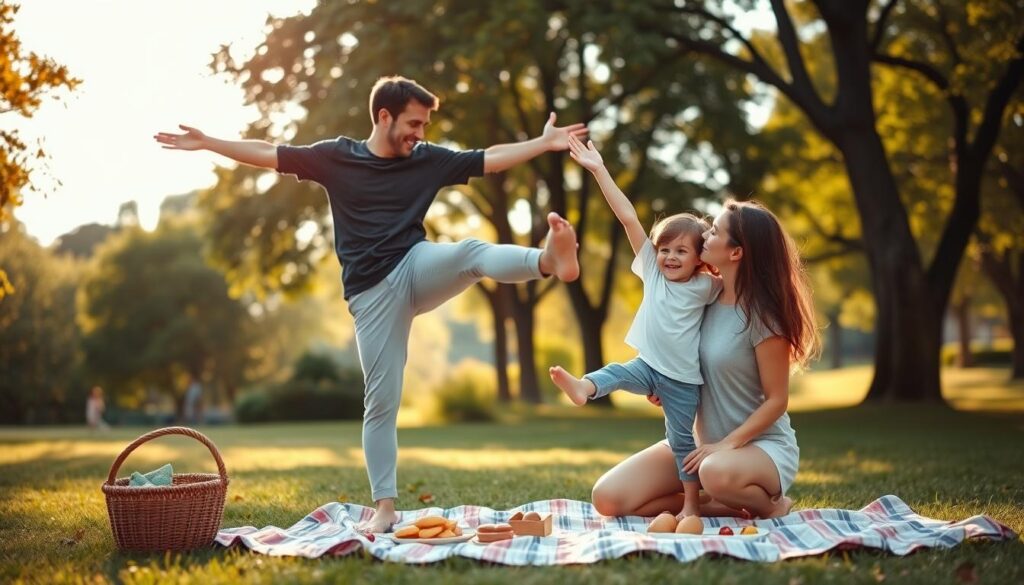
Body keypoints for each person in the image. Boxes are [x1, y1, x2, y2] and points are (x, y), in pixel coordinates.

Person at [155, 75, 586, 533]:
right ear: (384, 116)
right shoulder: (337, 157)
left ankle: (548, 261)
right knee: (381, 402)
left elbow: (489, 159)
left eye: (424, 125)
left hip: (415, 265)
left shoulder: (426, 160)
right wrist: (209, 143)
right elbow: (269, 151)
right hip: (371, 294)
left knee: (471, 254)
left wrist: (543, 143)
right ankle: (385, 508)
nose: (420, 133)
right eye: (414, 123)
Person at [590, 199, 820, 520]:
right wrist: (663, 384)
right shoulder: (700, 298)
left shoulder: (763, 319)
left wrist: (727, 444)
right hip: (701, 444)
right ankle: (716, 505)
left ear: (735, 252)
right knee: (608, 497)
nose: (704, 236)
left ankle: (773, 506)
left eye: (714, 232)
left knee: (713, 472)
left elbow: (777, 401)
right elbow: (678, 358)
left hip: (760, 447)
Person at [548, 136, 721, 520]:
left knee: (681, 441)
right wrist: (599, 170)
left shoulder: (708, 285)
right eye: (664, 249)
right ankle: (584, 388)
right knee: (616, 372)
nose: (669, 257)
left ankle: (691, 505)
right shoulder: (653, 274)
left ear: (699, 258)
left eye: (681, 251)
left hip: (682, 381)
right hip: (648, 366)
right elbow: (628, 217)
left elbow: (739, 277)